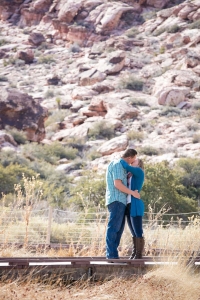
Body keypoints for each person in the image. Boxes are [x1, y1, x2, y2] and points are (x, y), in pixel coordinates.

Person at [105, 148, 140, 260]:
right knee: (114, 228)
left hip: (119, 201)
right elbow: (118, 184)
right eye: (132, 161)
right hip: (117, 200)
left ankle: (113, 255)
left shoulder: (119, 166)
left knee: (118, 229)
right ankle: (111, 255)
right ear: (129, 157)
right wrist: (133, 193)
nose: (131, 163)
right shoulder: (118, 165)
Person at [121, 158, 145, 259]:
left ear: (139, 164)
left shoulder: (139, 171)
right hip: (128, 204)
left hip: (135, 204)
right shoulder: (130, 174)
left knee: (137, 230)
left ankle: (139, 254)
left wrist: (121, 159)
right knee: (132, 230)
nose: (132, 161)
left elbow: (125, 165)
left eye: (134, 161)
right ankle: (135, 252)